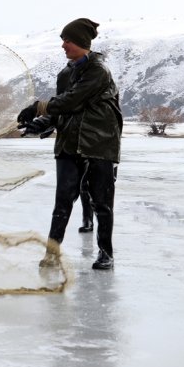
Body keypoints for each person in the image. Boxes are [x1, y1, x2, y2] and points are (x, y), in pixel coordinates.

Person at [17, 18, 122, 270]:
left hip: (99, 145)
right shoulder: (65, 74)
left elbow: (72, 100)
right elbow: (61, 108)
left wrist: (37, 107)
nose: (63, 45)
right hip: (68, 145)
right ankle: (52, 253)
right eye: (63, 40)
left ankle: (105, 253)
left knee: (101, 203)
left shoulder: (99, 71)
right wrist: (41, 123)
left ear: (82, 43)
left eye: (68, 40)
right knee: (62, 202)